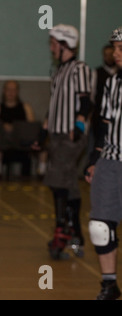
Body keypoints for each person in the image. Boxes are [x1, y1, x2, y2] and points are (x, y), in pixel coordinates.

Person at [36, 24, 92, 260]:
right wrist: (42, 133)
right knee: (68, 183)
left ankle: (62, 230)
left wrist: (78, 127)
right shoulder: (59, 70)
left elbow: (86, 102)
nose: (51, 47)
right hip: (57, 133)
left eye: (54, 43)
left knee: (57, 180)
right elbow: (54, 106)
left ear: (65, 44)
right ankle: (76, 232)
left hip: (70, 135)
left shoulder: (80, 69)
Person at [84, 26, 122, 300]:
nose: (115, 53)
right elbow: (106, 124)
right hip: (111, 159)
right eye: (115, 48)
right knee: (100, 226)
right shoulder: (112, 82)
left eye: (121, 49)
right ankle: (109, 285)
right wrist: (95, 159)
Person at [0, 80, 37, 177]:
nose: (11, 92)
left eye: (14, 90)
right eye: (8, 89)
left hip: (22, 142)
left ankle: (42, 172)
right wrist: (4, 127)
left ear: (17, 91)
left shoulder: (26, 107)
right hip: (4, 142)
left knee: (41, 141)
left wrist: (16, 128)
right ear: (4, 91)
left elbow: (32, 127)